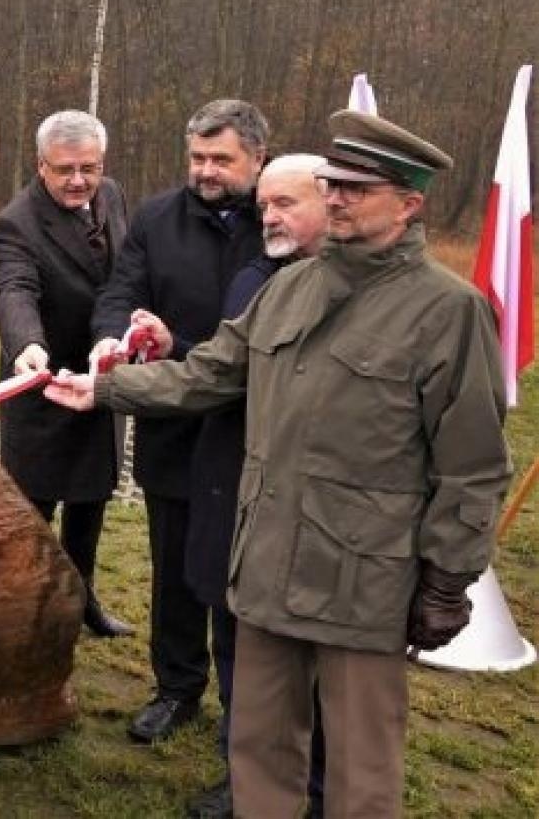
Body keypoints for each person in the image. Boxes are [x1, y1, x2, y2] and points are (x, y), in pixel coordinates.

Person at [48, 110, 509, 818]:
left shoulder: (448, 311)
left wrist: (447, 577)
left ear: (410, 203)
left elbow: (472, 464)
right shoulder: (290, 287)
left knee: (358, 772)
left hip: (361, 580)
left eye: (359, 187)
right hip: (261, 569)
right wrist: (104, 387)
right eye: (334, 183)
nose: (339, 198)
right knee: (259, 753)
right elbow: (206, 373)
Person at [89, 98, 268, 744]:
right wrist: (111, 340)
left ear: (257, 158)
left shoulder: (278, 221)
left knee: (240, 579)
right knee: (175, 567)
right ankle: (176, 685)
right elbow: (121, 290)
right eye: (197, 156)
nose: (206, 170)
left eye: (221, 158)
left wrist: (181, 350)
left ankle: (247, 706)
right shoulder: (159, 217)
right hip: (173, 428)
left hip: (251, 429)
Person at [171, 154, 330, 818]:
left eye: (286, 203)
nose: (270, 215)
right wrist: (165, 347)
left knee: (309, 667)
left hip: (300, 510)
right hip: (224, 487)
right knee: (232, 642)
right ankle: (244, 777)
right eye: (265, 204)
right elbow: (220, 367)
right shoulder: (252, 277)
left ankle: (318, 787)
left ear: (333, 202)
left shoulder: (342, 293)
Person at [0, 109, 133, 638]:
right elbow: (13, 289)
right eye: (65, 169)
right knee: (33, 509)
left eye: (88, 168)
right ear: (40, 165)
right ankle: (20, 609)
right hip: (42, 384)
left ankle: (83, 597)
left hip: (99, 380)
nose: (78, 181)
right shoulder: (16, 223)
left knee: (92, 498)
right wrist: (27, 345)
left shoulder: (112, 195)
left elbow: (125, 268)